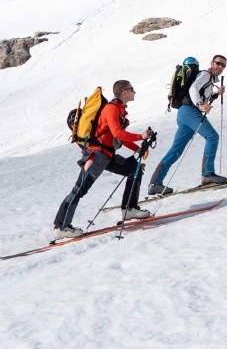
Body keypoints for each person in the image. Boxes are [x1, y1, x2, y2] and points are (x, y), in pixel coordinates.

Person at [53, 80, 155, 239]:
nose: (134, 92)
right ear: (124, 92)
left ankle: (129, 209)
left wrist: (138, 148)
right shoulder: (111, 109)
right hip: (97, 155)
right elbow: (117, 133)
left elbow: (119, 137)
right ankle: (61, 226)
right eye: (132, 89)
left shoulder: (119, 110)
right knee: (80, 189)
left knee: (133, 169)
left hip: (107, 155)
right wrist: (140, 136)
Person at [150, 54, 227, 193]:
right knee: (212, 137)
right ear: (212, 63)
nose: (220, 67)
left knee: (176, 150)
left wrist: (215, 94)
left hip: (185, 113)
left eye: (223, 65)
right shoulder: (205, 74)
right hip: (190, 111)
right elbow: (193, 89)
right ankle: (208, 174)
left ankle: (155, 183)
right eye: (218, 63)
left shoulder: (209, 80)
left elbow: (201, 93)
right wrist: (199, 105)